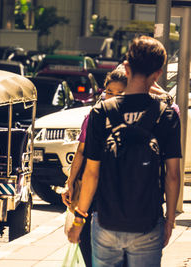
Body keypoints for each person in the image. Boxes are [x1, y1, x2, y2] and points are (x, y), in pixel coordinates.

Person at [67, 36, 181, 267]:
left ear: (126, 68)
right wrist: (169, 220)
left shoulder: (101, 112)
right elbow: (173, 175)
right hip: (148, 222)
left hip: (106, 220)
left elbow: (91, 173)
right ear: (158, 74)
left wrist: (79, 219)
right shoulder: (166, 116)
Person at [61, 69, 127, 267]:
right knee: (89, 251)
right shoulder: (93, 117)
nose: (112, 97)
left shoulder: (135, 119)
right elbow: (81, 152)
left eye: (119, 93)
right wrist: (70, 183)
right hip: (92, 193)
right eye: (109, 91)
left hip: (121, 197)